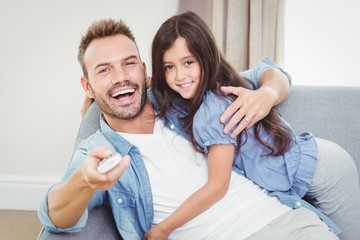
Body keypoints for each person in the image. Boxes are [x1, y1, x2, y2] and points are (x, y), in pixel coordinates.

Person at [37, 18, 340, 240]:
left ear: (145, 71)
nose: (120, 77)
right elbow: (56, 217)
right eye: (104, 70)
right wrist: (84, 182)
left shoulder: (182, 96)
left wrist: (267, 94)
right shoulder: (97, 151)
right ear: (87, 86)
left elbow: (265, 72)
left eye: (129, 64)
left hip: (285, 223)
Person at [148, 11, 360, 240]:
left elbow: (218, 186)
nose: (179, 76)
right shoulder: (208, 93)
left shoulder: (214, 107)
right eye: (169, 67)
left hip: (325, 171)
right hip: (304, 172)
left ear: (207, 57)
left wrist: (164, 228)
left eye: (188, 62)